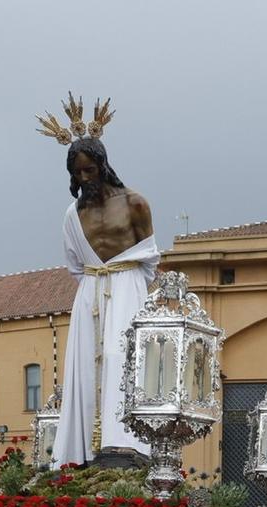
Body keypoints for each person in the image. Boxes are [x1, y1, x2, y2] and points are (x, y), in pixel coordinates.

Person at [52, 124, 159, 468]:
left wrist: (129, 291)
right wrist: (95, 288)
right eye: (77, 172)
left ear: (103, 165)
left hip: (127, 288)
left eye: (89, 169)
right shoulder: (73, 215)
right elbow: (74, 263)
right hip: (90, 293)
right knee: (84, 366)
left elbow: (149, 259)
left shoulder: (135, 203)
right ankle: (79, 454)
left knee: (119, 358)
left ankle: (126, 446)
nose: (84, 178)